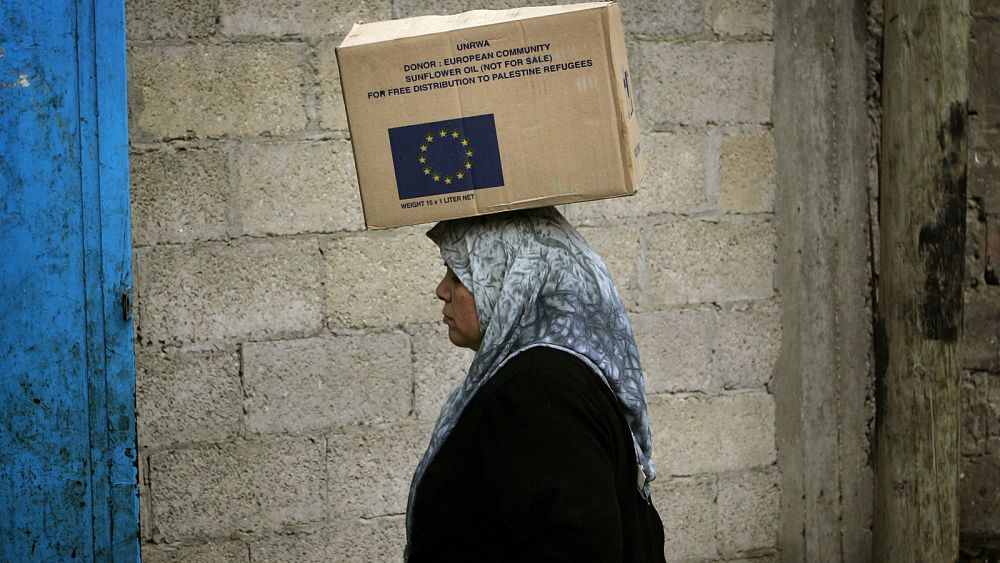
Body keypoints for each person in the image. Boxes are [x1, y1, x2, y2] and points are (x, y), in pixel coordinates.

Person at [405, 207, 666, 563]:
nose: (442, 291)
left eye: (459, 276)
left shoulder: (535, 391)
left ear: (515, 280)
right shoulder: (554, 374)